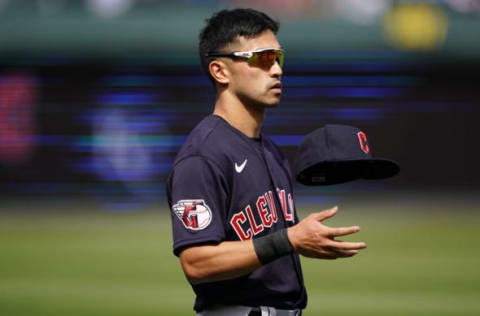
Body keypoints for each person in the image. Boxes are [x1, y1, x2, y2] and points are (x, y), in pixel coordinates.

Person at [166, 8, 367, 316]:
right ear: (220, 71)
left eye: (278, 58)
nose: (276, 70)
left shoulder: (269, 149)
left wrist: (295, 241)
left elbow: (273, 245)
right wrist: (290, 238)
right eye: (262, 58)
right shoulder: (203, 156)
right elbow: (196, 262)